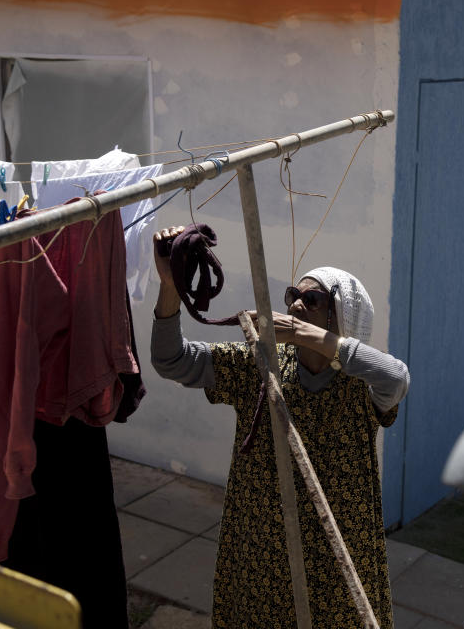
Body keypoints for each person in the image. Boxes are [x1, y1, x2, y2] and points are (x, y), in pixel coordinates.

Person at [150, 225, 410, 628]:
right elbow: (171, 360)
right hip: (264, 552)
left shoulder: (362, 384)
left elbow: (397, 377)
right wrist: (170, 286)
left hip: (336, 557)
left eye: (313, 298)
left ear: (341, 315)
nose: (296, 305)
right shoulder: (261, 363)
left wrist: (310, 335)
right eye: (293, 296)